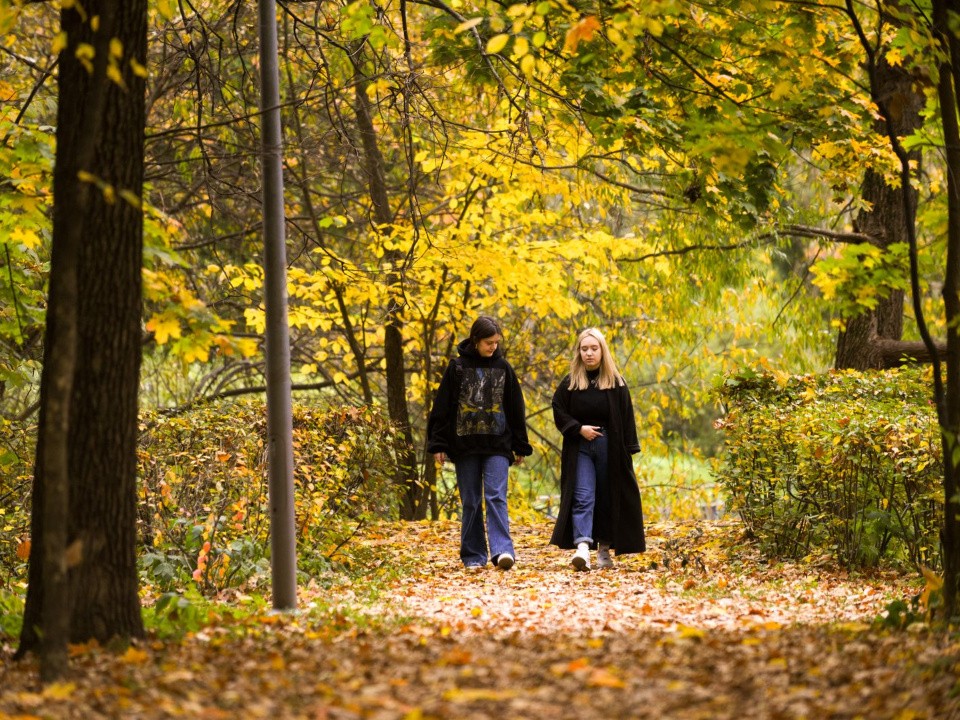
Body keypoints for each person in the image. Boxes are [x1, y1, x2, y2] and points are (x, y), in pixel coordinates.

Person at [427, 315, 533, 570]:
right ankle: (474, 555)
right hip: (464, 446)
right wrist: (438, 443)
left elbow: (515, 408)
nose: (493, 347)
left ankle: (502, 551)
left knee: (496, 495)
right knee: (472, 500)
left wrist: (520, 444)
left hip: (498, 444)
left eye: (496, 342)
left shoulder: (504, 368)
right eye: (488, 342)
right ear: (475, 340)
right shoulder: (457, 368)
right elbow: (442, 408)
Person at [549, 327, 645, 571]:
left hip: (609, 448)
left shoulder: (615, 382)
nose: (589, 353)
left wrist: (628, 450)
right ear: (579, 352)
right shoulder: (571, 382)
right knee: (583, 496)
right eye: (584, 349)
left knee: (607, 496)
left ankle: (604, 550)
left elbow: (626, 417)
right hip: (580, 446)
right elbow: (558, 408)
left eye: (594, 348)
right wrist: (578, 428)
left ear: (602, 350)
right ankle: (582, 547)